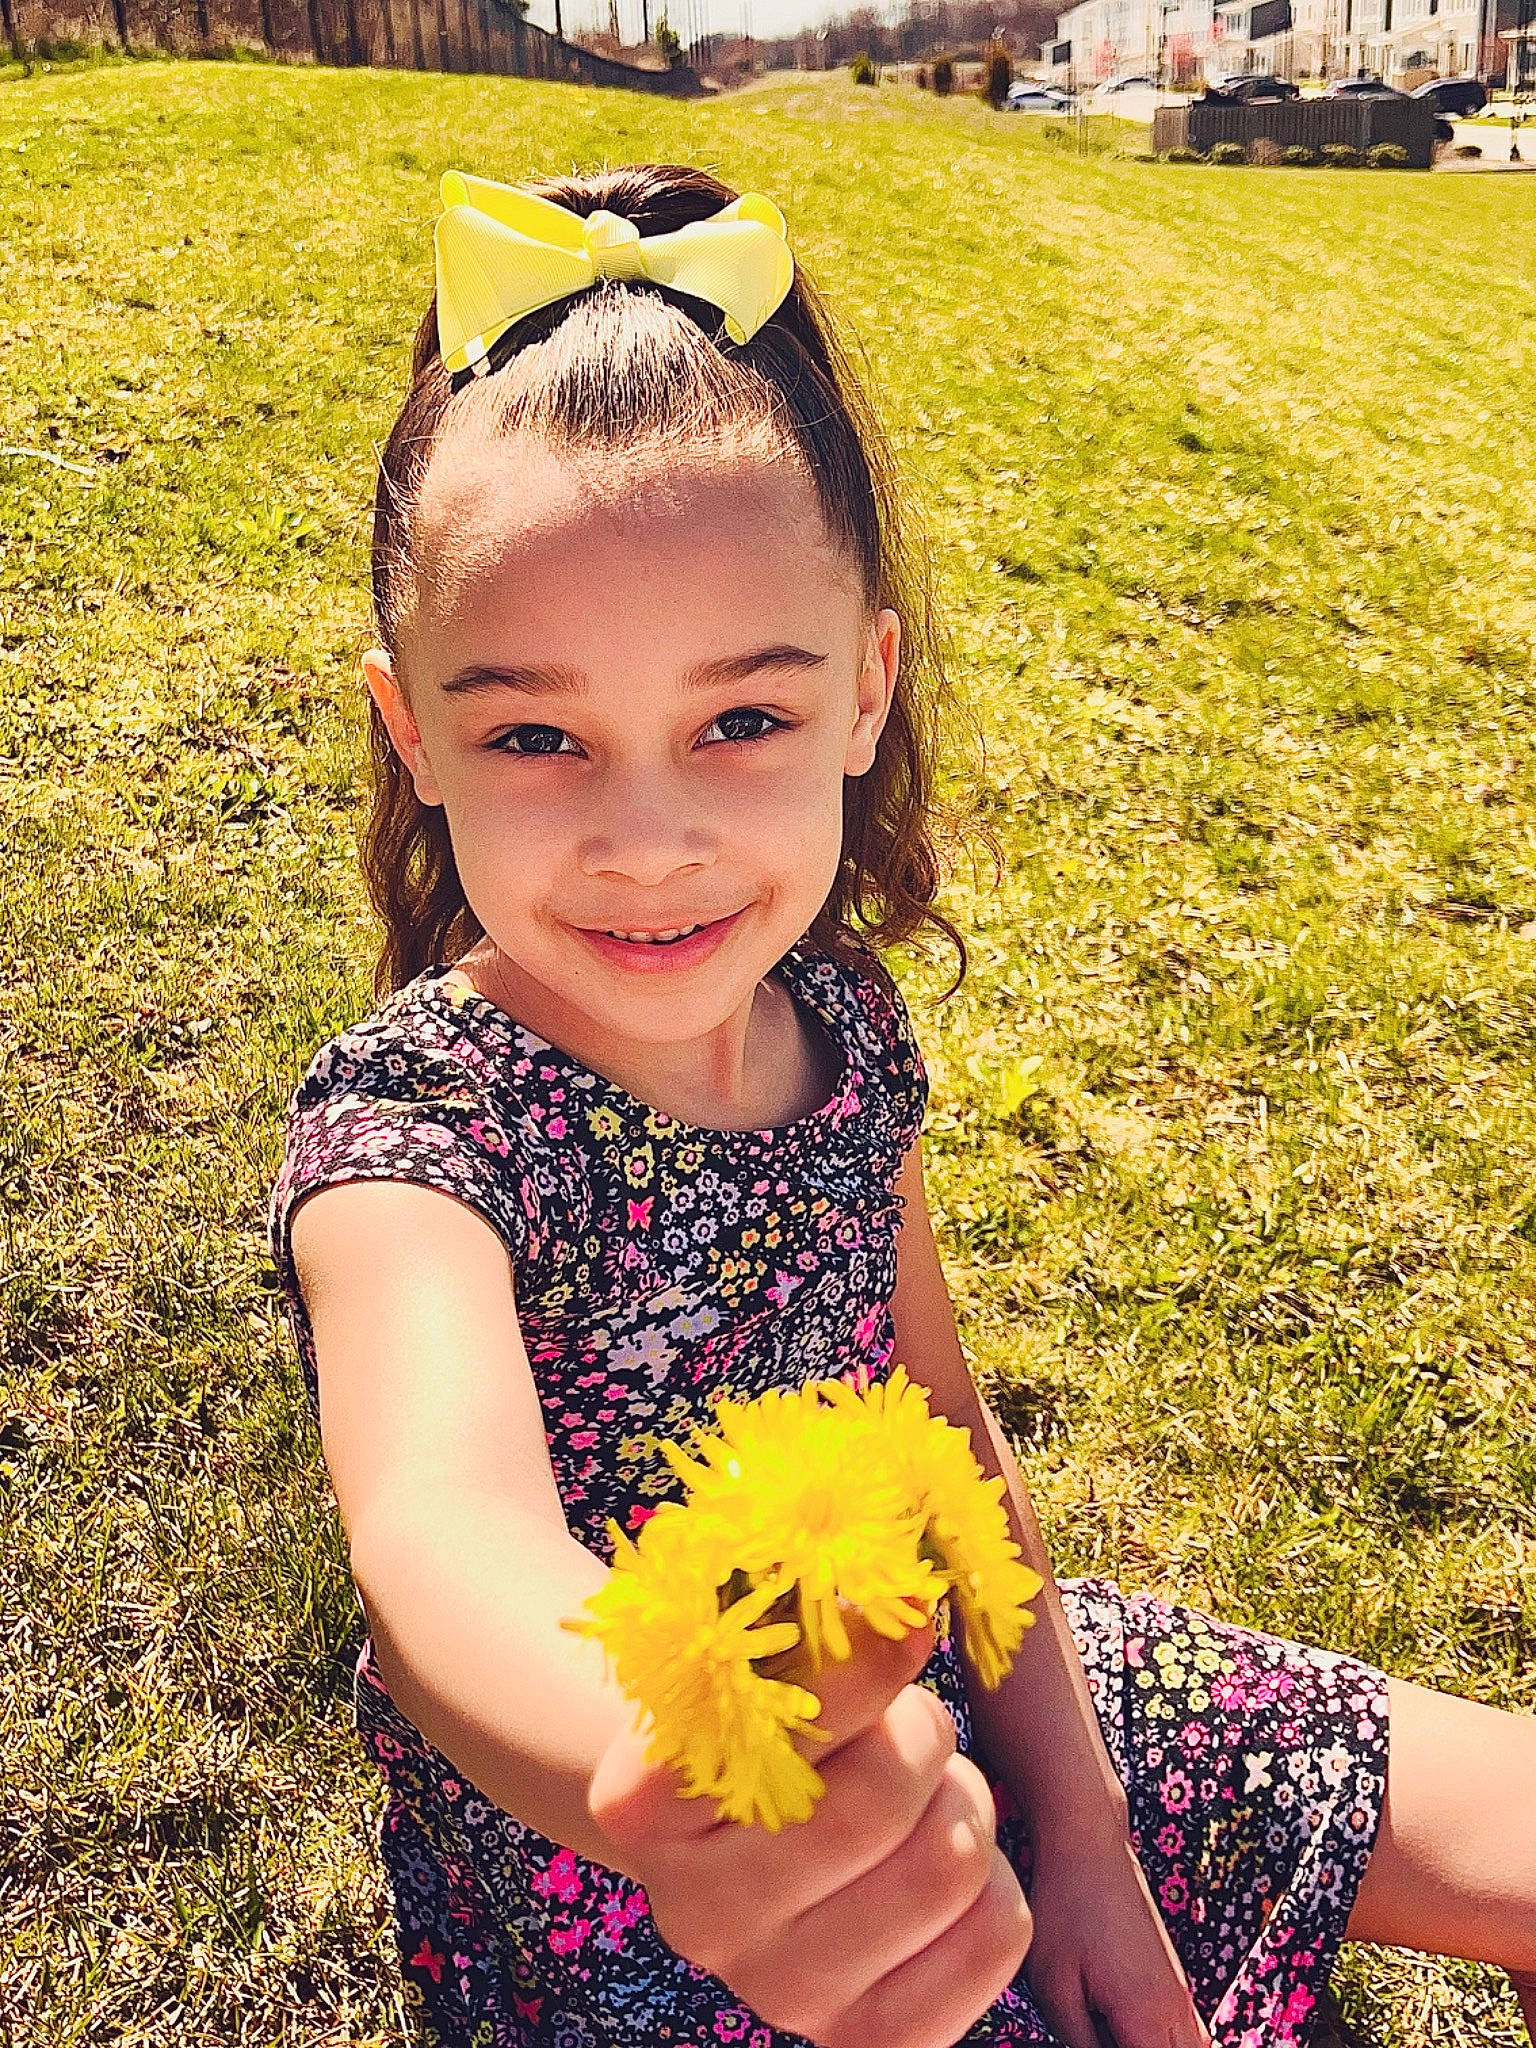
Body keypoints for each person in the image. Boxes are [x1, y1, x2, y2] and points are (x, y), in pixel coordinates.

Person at [268, 163, 1536, 2048]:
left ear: (865, 692)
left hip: (994, 1701)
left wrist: (1085, 1839)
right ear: (413, 735)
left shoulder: (844, 1023)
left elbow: (945, 1435)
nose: (647, 839)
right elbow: (438, 1536)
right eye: (535, 734)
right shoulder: (415, 1132)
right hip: (676, 1909)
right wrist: (687, 1774)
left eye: (742, 720)